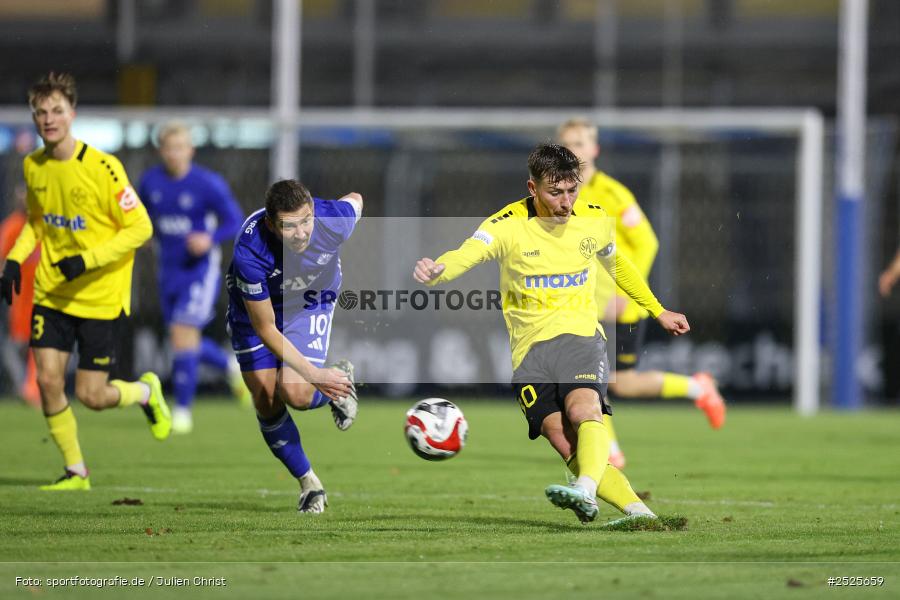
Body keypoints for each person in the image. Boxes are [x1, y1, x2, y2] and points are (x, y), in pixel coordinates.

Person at [414, 143, 689, 524]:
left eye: (572, 190)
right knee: (565, 443)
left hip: (580, 336)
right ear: (532, 188)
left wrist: (658, 310)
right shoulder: (506, 225)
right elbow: (467, 253)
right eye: (555, 192)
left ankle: (586, 490)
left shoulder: (593, 219)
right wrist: (438, 269)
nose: (565, 202)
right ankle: (640, 514)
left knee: (584, 410)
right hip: (529, 353)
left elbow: (618, 266)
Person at [0, 72, 171, 491]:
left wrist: (87, 260)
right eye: (40, 112)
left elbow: (141, 228)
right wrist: (14, 262)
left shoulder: (104, 168)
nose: (48, 119)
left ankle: (145, 393)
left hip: (99, 297)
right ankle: (76, 471)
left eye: (56, 110)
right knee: (46, 380)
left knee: (93, 396)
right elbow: (37, 224)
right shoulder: (34, 166)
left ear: (72, 113)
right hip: (53, 293)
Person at [558, 118, 726, 469]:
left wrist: (630, 295)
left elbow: (647, 242)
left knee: (623, 383)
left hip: (619, 305)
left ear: (594, 149)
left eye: (580, 143)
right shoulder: (560, 192)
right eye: (567, 143)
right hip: (581, 304)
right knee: (591, 379)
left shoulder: (614, 195)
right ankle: (610, 451)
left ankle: (699, 388)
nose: (574, 149)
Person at [226, 179, 361, 514]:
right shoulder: (250, 251)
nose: (301, 233)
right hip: (256, 313)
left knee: (297, 392)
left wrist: (313, 377)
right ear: (272, 224)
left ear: (313, 210)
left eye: (306, 221)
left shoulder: (332, 220)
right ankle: (309, 484)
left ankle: (340, 386)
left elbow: (356, 199)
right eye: (289, 226)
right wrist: (315, 371)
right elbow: (266, 327)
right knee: (265, 396)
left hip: (310, 303)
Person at [138, 122, 249, 434]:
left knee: (182, 334)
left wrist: (209, 238)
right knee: (183, 338)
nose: (175, 154)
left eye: (180, 147)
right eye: (169, 148)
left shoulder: (207, 184)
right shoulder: (150, 182)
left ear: (191, 150)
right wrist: (143, 234)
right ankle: (231, 367)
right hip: (168, 271)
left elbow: (234, 220)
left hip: (199, 271)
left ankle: (183, 411)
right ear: (162, 150)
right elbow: (139, 217)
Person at [1, 186, 40, 406]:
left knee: (40, 342)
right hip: (19, 296)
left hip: (44, 295)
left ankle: (31, 389)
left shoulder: (45, 224)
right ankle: (24, 385)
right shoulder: (13, 226)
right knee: (17, 344)